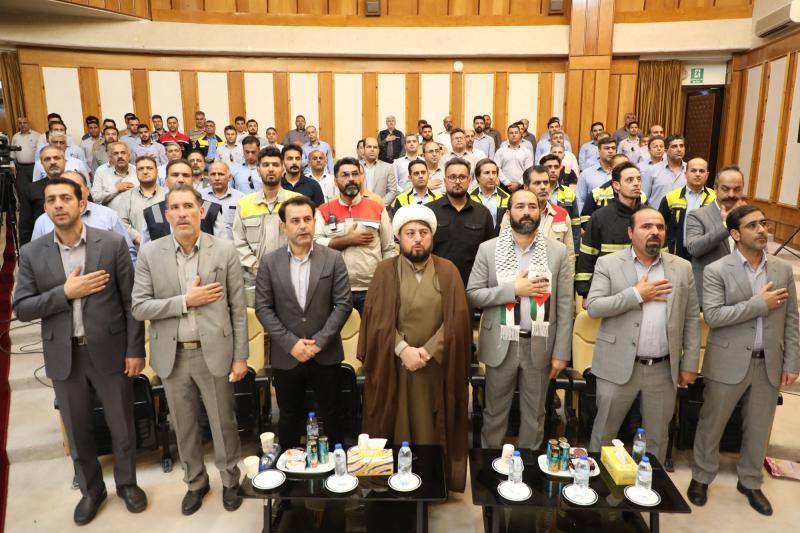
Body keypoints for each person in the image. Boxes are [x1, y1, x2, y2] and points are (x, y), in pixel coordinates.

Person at [14, 177, 147, 526]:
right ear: (45, 208)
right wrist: (65, 293)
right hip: (64, 356)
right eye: (51, 200)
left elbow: (131, 301)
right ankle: (92, 491)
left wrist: (135, 349)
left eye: (65, 198)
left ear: (81, 202)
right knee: (78, 430)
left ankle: (127, 484)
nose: (58, 204)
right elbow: (22, 307)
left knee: (122, 426)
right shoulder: (33, 253)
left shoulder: (111, 244)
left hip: (110, 351)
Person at [131, 184, 248, 515]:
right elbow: (139, 307)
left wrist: (240, 356)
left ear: (201, 210)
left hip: (215, 351)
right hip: (173, 355)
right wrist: (185, 301)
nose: (182, 213)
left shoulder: (224, 250)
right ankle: (195, 483)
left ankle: (230, 480)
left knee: (223, 423)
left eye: (188, 206)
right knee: (183, 425)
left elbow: (238, 309)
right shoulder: (150, 253)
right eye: (175, 207)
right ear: (166, 214)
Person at [688, 205, 799, 517]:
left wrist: (792, 361)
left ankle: (750, 481)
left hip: (769, 361)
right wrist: (758, 304)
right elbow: (714, 316)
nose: (762, 230)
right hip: (727, 361)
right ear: (735, 234)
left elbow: (791, 318)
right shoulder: (717, 270)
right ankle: (701, 477)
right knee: (712, 424)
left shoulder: (781, 269)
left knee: (759, 428)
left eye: (763, 223)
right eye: (752, 225)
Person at [358, 204, 472, 492]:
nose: (417, 238)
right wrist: (402, 349)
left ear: (432, 236)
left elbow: (457, 318)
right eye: (410, 233)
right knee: (391, 421)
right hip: (394, 367)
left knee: (431, 426)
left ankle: (431, 483)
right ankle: (387, 482)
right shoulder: (385, 270)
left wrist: (429, 350)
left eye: (423, 232)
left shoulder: (448, 271)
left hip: (435, 368)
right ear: (399, 237)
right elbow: (376, 320)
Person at [586, 207, 700, 462]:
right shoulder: (608, 264)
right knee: (604, 434)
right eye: (646, 226)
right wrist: (637, 294)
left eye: (660, 227)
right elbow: (594, 307)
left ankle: (652, 485)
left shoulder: (682, 268)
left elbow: (692, 318)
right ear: (630, 232)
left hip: (662, 369)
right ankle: (595, 484)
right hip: (616, 367)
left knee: (657, 440)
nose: (655, 232)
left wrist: (690, 363)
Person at [467, 188, 574, 450]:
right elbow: (473, 295)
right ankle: (490, 466)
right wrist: (513, 290)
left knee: (535, 415)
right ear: (508, 213)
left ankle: (529, 466)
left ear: (540, 212)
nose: (527, 212)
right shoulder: (488, 249)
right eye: (520, 206)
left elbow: (565, 305)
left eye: (532, 206)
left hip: (540, 345)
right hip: (500, 343)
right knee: (494, 413)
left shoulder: (558, 251)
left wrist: (561, 353)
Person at [255, 195, 353, 448]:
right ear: (283, 226)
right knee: (289, 416)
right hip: (287, 354)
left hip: (325, 352)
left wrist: (319, 342)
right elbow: (263, 308)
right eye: (295, 221)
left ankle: (336, 464)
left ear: (314, 222)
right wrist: (292, 344)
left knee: (332, 413)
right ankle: (289, 465)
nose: (302, 226)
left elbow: (343, 304)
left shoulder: (333, 258)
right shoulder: (269, 262)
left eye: (307, 219)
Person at [315, 157, 396, 316]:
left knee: (373, 331)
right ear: (336, 181)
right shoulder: (324, 210)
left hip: (372, 288)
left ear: (361, 177)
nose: (351, 179)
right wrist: (346, 241)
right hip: (336, 289)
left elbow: (388, 249)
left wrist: (387, 282)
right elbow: (315, 243)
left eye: (355, 174)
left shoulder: (377, 207)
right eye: (345, 175)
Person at [232, 146, 302, 281]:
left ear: (283, 169)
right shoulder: (244, 204)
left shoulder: (297, 201)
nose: (270, 169)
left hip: (292, 276)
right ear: (258, 171)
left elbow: (304, 238)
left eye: (275, 165)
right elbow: (239, 243)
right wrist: (259, 269)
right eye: (265, 165)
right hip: (255, 279)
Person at [575, 161, 644, 297]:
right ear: (616, 185)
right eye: (630, 180)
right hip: (608, 289)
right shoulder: (600, 217)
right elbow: (587, 256)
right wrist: (585, 292)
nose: (636, 183)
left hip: (643, 287)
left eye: (638, 179)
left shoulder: (649, 215)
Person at [427, 158, 495, 285]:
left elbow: (490, 254)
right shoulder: (429, 211)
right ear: (445, 181)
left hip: (473, 285)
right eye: (452, 177)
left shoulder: (482, 213)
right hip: (436, 284)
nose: (457, 181)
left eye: (462, 177)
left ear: (469, 180)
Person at [685, 166, 745, 306]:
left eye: (737, 189)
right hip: (708, 295)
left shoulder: (749, 216)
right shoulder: (697, 215)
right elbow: (694, 248)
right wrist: (725, 225)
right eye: (725, 189)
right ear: (715, 189)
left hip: (740, 296)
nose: (731, 194)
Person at [140, 160, 225, 245]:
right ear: (166, 181)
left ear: (192, 180)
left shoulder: (209, 209)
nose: (181, 180)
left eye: (185, 175)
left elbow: (223, 247)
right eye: (175, 175)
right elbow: (145, 250)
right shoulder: (154, 211)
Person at [658, 158, 716, 260]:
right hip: (677, 255)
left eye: (701, 171)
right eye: (693, 170)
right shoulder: (671, 197)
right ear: (685, 174)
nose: (697, 174)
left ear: (707, 175)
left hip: (706, 255)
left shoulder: (715, 198)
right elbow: (659, 225)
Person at [522, 166, 575, 268]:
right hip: (523, 275)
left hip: (553, 274)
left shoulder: (562, 214)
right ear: (526, 188)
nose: (543, 187)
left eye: (546, 182)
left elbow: (569, 255)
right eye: (537, 183)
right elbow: (504, 251)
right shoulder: (513, 215)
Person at [114, 156, 168, 247]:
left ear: (157, 171)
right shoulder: (126, 197)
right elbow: (121, 223)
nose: (145, 172)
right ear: (136, 173)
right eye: (141, 169)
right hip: (138, 250)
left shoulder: (168, 195)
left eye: (149, 168)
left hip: (167, 249)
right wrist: (140, 239)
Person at [202, 161, 243, 240]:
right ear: (208, 177)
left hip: (232, 245)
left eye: (221, 174)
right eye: (213, 174)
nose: (217, 178)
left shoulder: (240, 198)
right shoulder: (201, 196)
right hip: (207, 244)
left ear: (229, 177)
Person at [468, 158, 509, 235]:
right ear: (477, 177)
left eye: (494, 173)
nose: (491, 177)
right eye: (487, 173)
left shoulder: (507, 198)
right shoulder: (468, 197)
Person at [647, 134, 686, 210]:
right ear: (666, 150)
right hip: (656, 215)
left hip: (682, 215)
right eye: (674, 146)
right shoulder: (652, 170)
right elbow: (644, 198)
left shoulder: (690, 170)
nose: (679, 149)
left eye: (681, 146)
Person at [576, 136, 616, 213]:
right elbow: (580, 199)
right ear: (599, 150)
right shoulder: (587, 174)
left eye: (613, 148)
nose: (611, 151)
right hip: (593, 217)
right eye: (607, 148)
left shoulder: (622, 173)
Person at [92, 142, 138, 206]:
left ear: (129, 156)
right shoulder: (101, 172)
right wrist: (115, 189)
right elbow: (95, 199)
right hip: (111, 212)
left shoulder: (137, 171)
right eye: (116, 153)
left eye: (123, 153)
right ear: (110, 157)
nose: (120, 156)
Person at [494, 123, 533, 191]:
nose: (514, 135)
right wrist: (507, 182)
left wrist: (519, 183)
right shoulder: (500, 151)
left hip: (522, 186)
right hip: (504, 186)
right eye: (511, 133)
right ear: (508, 135)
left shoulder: (527, 152)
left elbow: (528, 170)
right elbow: (496, 168)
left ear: (520, 134)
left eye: (516, 132)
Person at [360, 137, 398, 206]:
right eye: (369, 147)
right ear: (364, 149)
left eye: (375, 147)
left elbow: (392, 191)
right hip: (359, 208)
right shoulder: (356, 167)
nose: (372, 149)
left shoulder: (388, 167)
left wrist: (380, 204)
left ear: (378, 150)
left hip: (381, 208)